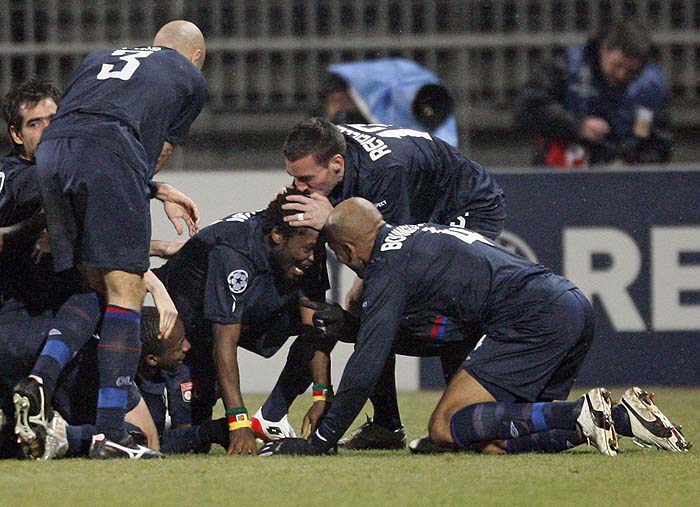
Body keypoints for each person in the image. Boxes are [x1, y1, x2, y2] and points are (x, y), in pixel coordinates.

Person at [258, 198, 689, 457]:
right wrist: (354, 327)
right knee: (490, 436)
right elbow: (448, 335)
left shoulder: (388, 265)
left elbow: (369, 363)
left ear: (348, 249)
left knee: (445, 425)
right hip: (571, 307)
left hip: (531, 319)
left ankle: (579, 410)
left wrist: (321, 441)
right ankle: (620, 418)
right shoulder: (418, 235)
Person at [32, 20, 208, 458]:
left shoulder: (100, 58)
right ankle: (111, 432)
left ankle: (38, 382)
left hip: (53, 154)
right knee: (125, 289)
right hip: (109, 152)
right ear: (197, 56)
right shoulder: (190, 76)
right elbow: (158, 150)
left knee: (92, 284)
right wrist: (143, 183)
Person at [281, 117, 505, 450]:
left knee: (446, 303)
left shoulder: (385, 173)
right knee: (366, 304)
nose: (299, 187)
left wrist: (329, 220)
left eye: (306, 179)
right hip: (422, 204)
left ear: (337, 165)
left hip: (466, 205)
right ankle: (387, 426)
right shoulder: (329, 151)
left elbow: (395, 256)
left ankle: (464, 422)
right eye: (293, 178)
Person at [153, 188, 332, 456]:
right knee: (186, 443)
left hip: (236, 319)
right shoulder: (233, 251)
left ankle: (271, 416)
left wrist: (322, 396)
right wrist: (238, 421)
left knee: (329, 320)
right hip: (181, 335)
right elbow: (225, 342)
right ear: (277, 235)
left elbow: (314, 328)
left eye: (318, 250)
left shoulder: (305, 244)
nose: (314, 258)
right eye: (308, 249)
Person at [0, 305, 229, 459]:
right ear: (151, 359)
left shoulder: (164, 372)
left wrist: (210, 431)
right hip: (36, 358)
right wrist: (208, 432)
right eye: (179, 344)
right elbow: (149, 442)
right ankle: (62, 435)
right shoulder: (116, 373)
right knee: (127, 438)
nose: (187, 347)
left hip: (19, 341)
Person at [514, 18, 672, 168]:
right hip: (559, 171)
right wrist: (577, 126)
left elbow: (657, 143)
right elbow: (528, 108)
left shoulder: (651, 88)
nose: (621, 75)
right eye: (617, 65)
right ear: (603, 49)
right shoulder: (567, 66)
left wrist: (632, 168)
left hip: (622, 178)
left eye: (632, 72)